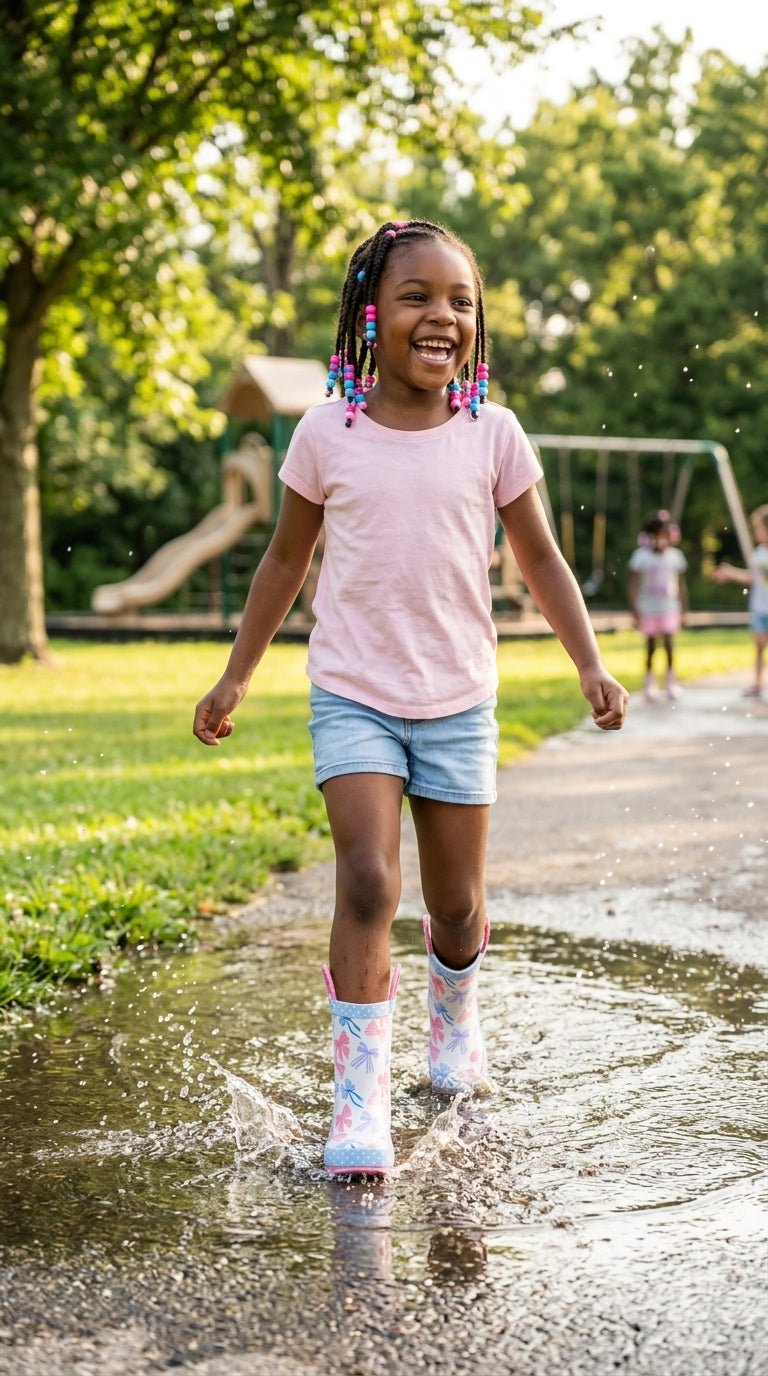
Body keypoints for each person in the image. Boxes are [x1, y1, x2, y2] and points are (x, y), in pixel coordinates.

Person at [193, 218, 629, 1177]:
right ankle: (360, 1100)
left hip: (460, 701)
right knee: (366, 881)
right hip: (353, 692)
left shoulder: (494, 435)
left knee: (460, 905)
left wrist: (589, 663)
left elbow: (542, 559)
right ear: (369, 316)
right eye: (417, 297)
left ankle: (454, 1022)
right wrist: (237, 673)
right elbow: (283, 560)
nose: (443, 316)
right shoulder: (325, 433)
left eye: (461, 302)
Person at [628, 511, 688, 701]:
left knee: (669, 643)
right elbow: (634, 584)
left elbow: (680, 585)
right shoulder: (641, 557)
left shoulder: (675, 556)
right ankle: (650, 682)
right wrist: (634, 610)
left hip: (669, 606)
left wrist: (685, 609)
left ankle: (671, 681)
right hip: (648, 607)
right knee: (651, 645)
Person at [712, 504, 768, 699]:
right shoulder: (758, 554)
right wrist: (730, 573)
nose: (756, 533)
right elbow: (752, 578)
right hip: (760, 609)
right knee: (760, 646)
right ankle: (756, 683)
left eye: (758, 528)